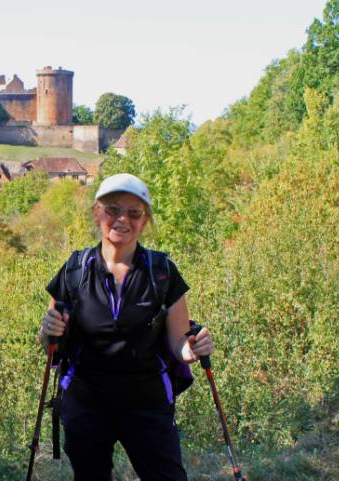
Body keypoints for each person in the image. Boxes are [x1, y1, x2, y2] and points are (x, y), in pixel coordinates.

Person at [38, 173, 214, 481]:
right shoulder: (75, 270)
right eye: (113, 210)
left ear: (144, 221)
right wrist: (46, 330)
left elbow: (179, 343)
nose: (123, 219)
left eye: (134, 213)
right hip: (86, 403)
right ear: (97, 213)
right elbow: (50, 342)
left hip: (147, 403)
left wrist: (194, 347)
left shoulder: (161, 272)